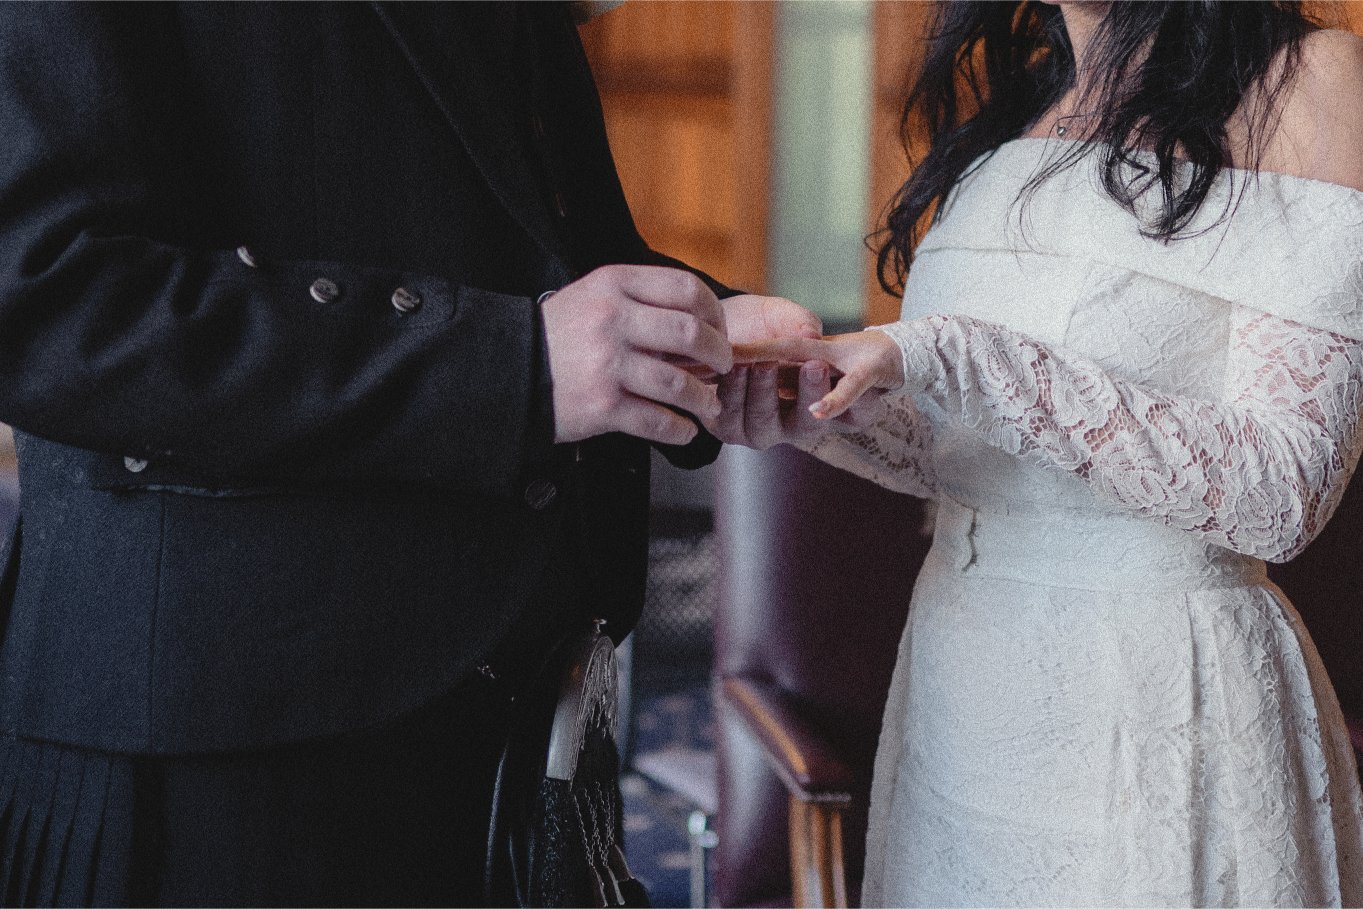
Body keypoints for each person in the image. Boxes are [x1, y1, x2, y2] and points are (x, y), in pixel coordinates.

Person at [0, 3, 818, 906]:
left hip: (511, 729)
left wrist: (691, 335)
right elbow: (38, 295)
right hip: (221, 759)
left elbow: (511, 241)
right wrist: (510, 364)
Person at [717, 1, 1363, 904]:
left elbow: (1282, 492)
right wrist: (830, 413)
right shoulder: (1020, 105)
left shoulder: (1313, 80)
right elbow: (983, 457)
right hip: (962, 680)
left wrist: (955, 355)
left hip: (1156, 695)